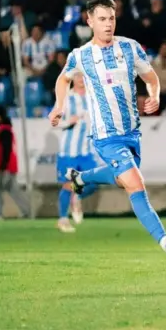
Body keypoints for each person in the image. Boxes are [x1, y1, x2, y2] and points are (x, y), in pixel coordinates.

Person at [48, 0, 166, 260]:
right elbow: (63, 80)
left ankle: (81, 178)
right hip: (106, 137)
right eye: (101, 19)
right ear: (90, 21)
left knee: (123, 180)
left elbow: (151, 77)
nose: (108, 24)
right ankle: (165, 242)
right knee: (136, 184)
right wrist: (58, 106)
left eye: (111, 18)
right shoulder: (81, 55)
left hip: (132, 133)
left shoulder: (130, 47)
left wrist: (155, 95)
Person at [54, 72, 99, 233]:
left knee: (95, 181)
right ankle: (62, 219)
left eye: (84, 75)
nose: (81, 79)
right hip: (68, 151)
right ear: (72, 78)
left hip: (86, 150)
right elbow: (53, 120)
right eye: (78, 76)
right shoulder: (66, 97)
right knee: (67, 185)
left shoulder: (93, 97)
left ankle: (77, 196)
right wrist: (67, 121)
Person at [0, 105, 32, 219]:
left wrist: (3, 165)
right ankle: (27, 211)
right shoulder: (5, 128)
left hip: (4, 167)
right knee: (13, 191)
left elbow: (6, 150)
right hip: (8, 167)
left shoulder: (4, 130)